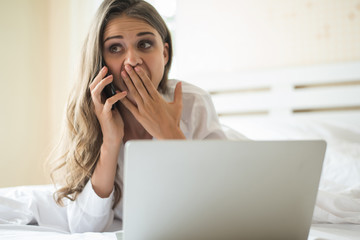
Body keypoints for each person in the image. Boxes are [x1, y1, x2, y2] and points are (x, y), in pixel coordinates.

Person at [48, 0, 243, 233]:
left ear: (165, 53)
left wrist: (168, 132)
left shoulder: (193, 103)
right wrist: (110, 143)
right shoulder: (91, 114)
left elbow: (222, 207)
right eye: (115, 48)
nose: (132, 60)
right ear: (101, 61)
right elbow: (83, 228)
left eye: (145, 44)